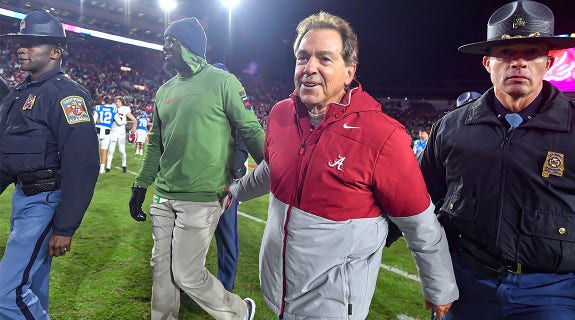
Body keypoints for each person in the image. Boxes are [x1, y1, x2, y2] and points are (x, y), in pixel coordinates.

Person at [418, 1, 575, 319]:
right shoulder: (451, 127)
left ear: (548, 62)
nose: (518, 63)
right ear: (487, 63)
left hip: (555, 292)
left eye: (531, 52)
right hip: (465, 286)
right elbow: (416, 201)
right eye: (506, 53)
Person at [230, 11, 458, 319]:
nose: (309, 68)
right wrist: (232, 193)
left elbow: (419, 223)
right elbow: (273, 170)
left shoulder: (382, 135)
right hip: (278, 292)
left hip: (335, 305)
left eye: (324, 59)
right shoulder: (281, 114)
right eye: (302, 58)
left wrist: (439, 288)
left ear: (349, 71)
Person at [127, 17, 264, 320]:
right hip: (164, 195)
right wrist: (140, 185)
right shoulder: (164, 91)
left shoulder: (223, 82)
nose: (164, 47)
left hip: (203, 196)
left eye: (170, 41)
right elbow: (154, 144)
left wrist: (277, 171)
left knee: (186, 274)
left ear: (187, 45)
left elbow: (251, 129)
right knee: (162, 272)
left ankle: (240, 311)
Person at [0, 11, 99, 319]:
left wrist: (65, 226)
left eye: (32, 43)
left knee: (6, 293)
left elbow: (82, 164)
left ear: (56, 52)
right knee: (32, 286)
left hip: (46, 202)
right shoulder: (19, 93)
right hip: (23, 198)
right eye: (21, 42)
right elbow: (8, 154)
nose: (22, 48)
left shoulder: (67, 95)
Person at [211, 62, 248, 291]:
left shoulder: (237, 108)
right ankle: (187, 281)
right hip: (199, 181)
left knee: (226, 234)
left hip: (226, 182)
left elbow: (244, 139)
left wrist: (235, 171)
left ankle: (225, 285)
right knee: (192, 235)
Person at [106, 96, 137, 173]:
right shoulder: (112, 107)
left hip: (121, 132)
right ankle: (108, 167)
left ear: (122, 102)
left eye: (119, 101)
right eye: (116, 101)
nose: (117, 102)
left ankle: (124, 165)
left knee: (122, 150)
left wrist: (134, 127)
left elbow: (134, 120)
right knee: (111, 150)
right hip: (113, 131)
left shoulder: (125, 109)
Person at [94, 99, 116, 174]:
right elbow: (119, 121)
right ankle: (102, 169)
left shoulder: (98, 107)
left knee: (94, 149)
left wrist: (97, 119)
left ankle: (93, 165)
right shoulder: (113, 109)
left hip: (98, 130)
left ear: (104, 102)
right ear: (110, 103)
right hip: (107, 131)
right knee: (104, 150)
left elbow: (94, 120)